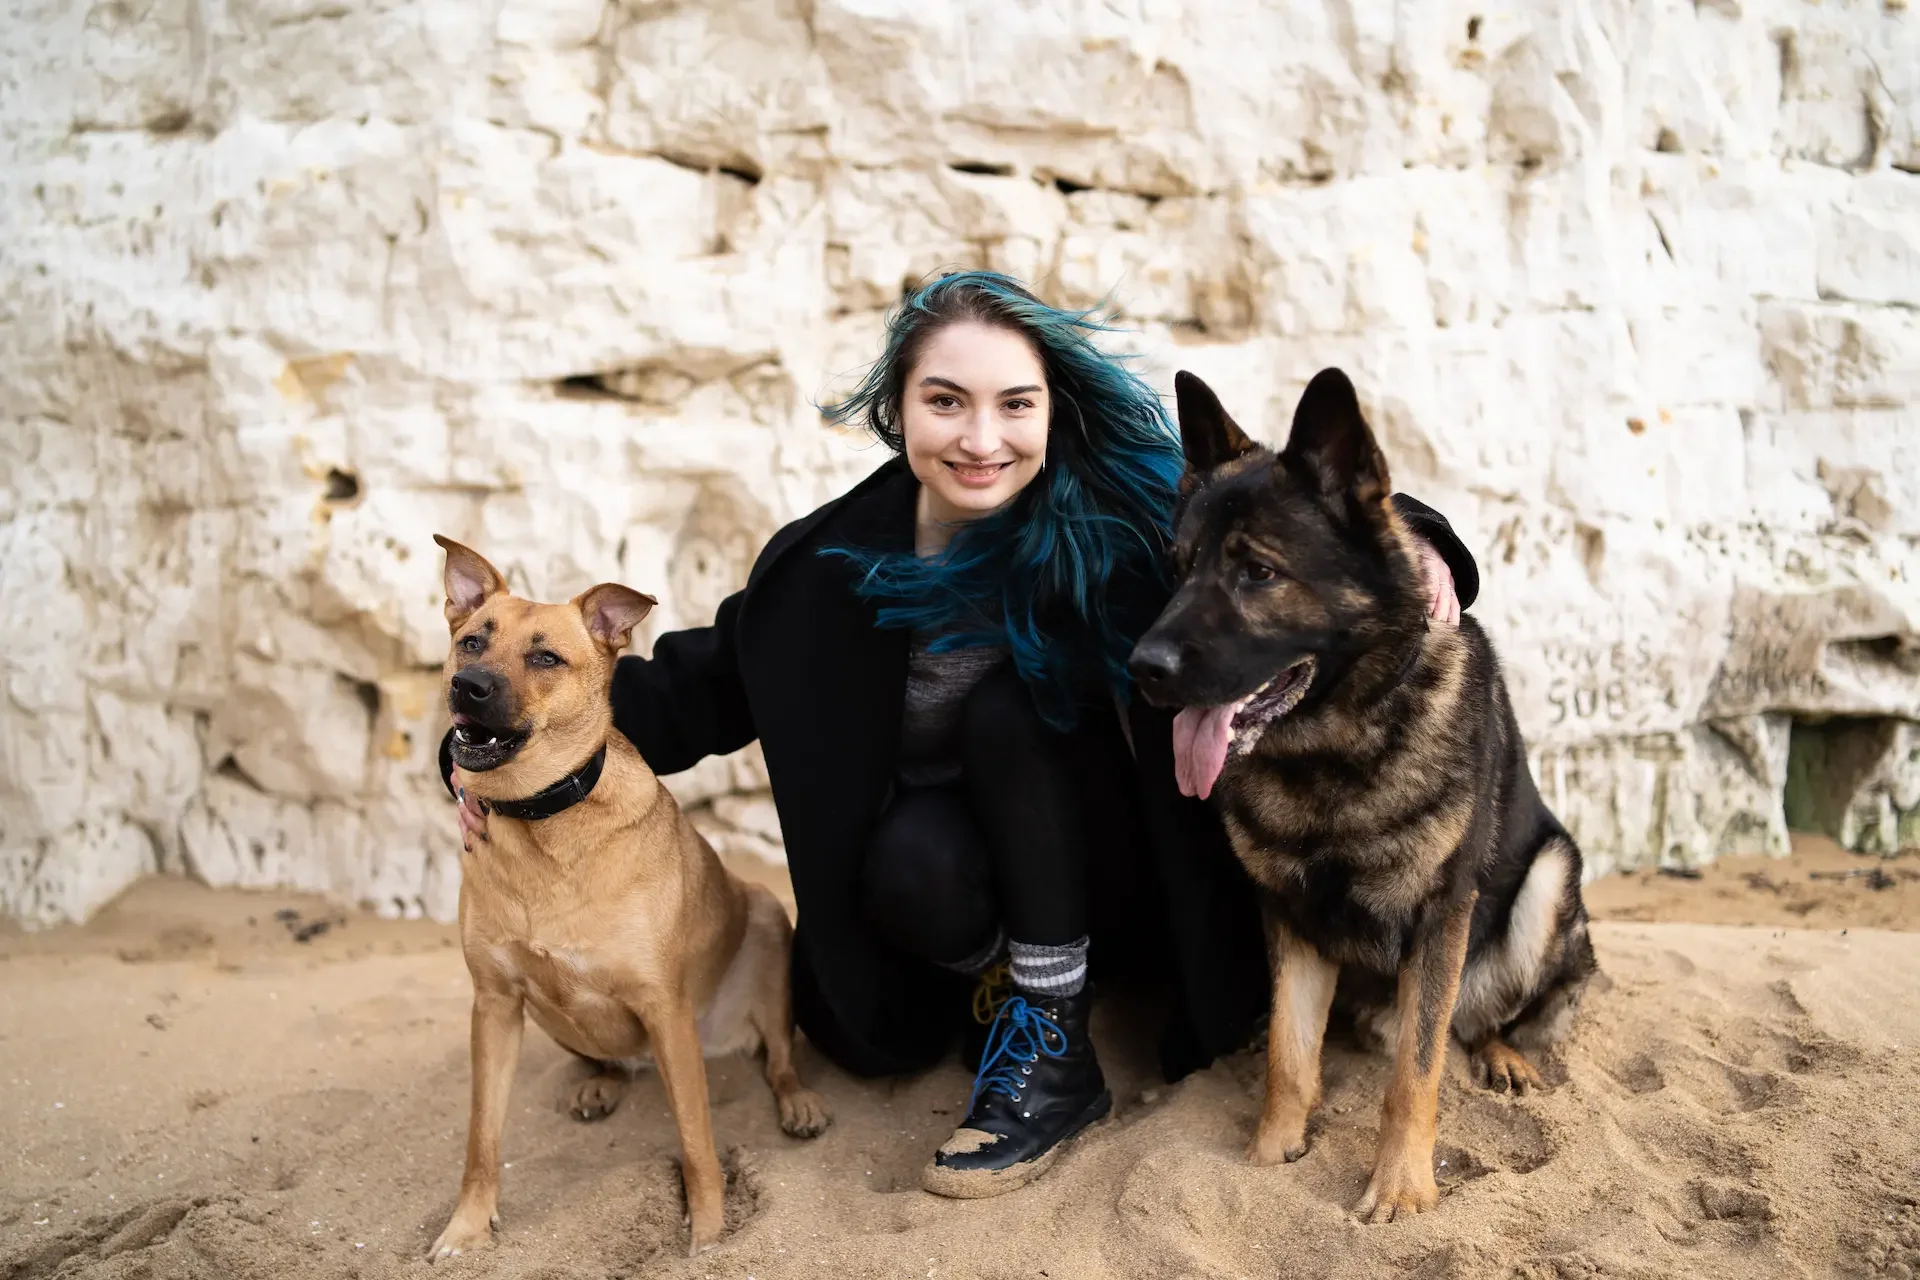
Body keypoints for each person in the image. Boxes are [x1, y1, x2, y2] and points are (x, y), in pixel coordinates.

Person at [442, 271, 1477, 1197]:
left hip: (1115, 864)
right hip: (946, 888)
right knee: (910, 850)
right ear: (898, 411)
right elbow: (673, 697)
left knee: (1010, 702)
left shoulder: (1119, 511)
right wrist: (487, 756)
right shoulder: (820, 574)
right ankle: (1006, 983)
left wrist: (1423, 535)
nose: (983, 438)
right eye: (947, 402)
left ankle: (1059, 1037)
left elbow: (1299, 505)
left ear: (1048, 411)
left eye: (1014, 404)